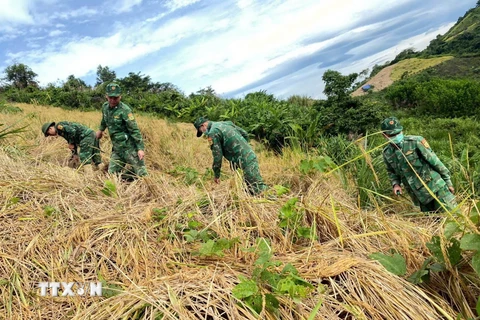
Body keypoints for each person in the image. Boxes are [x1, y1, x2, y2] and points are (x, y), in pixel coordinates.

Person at [381, 116, 457, 212]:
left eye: (398, 133)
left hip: (436, 188)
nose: (396, 136)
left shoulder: (415, 142)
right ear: (384, 135)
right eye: (392, 135)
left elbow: (435, 161)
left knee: (452, 218)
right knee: (433, 224)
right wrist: (396, 184)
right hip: (419, 196)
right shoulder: (387, 153)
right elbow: (391, 171)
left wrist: (448, 181)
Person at [194, 117, 268, 195]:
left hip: (245, 159)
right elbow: (244, 134)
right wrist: (245, 148)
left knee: (257, 187)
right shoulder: (225, 123)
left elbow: (217, 156)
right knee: (247, 187)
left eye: (201, 130)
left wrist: (217, 174)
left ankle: (276, 197)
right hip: (247, 155)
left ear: (203, 125)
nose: (203, 133)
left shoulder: (213, 132)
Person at [95, 83, 147, 179]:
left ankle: (133, 176)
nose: (113, 100)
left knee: (143, 176)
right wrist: (100, 130)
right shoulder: (105, 107)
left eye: (116, 98)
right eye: (110, 97)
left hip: (129, 148)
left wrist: (140, 149)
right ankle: (128, 178)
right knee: (112, 175)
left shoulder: (125, 110)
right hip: (117, 149)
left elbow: (134, 130)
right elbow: (104, 119)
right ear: (106, 96)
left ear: (120, 97)